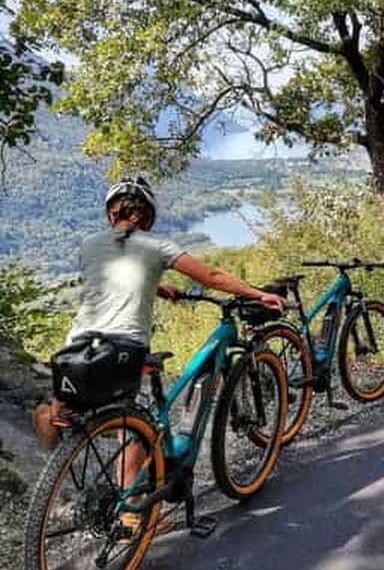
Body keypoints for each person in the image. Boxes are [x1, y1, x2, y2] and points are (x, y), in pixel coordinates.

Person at [33, 175, 284, 450]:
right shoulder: (157, 246)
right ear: (148, 216)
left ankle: (51, 472)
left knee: (65, 409)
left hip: (78, 348)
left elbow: (112, 281)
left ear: (110, 214)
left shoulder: (88, 245)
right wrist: (259, 294)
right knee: (131, 427)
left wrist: (156, 286)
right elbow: (212, 277)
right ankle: (130, 493)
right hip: (124, 348)